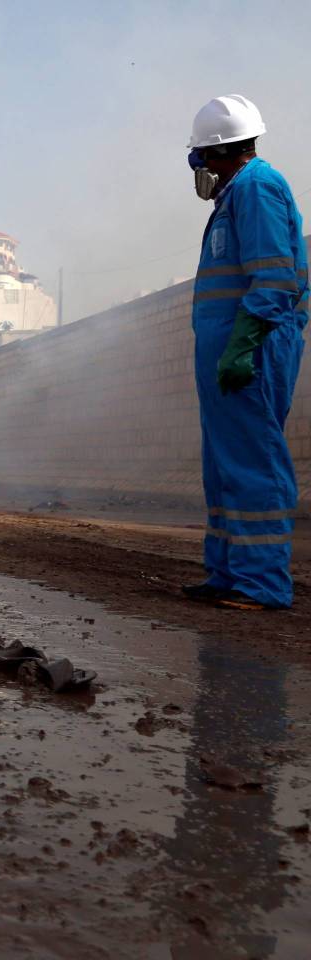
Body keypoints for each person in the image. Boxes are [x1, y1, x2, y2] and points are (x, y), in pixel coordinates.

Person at [183, 95, 307, 610]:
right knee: (225, 464)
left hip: (250, 353)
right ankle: (229, 573)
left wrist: (242, 347)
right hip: (226, 356)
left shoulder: (256, 189)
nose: (197, 171)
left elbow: (275, 279)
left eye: (199, 159)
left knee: (253, 462)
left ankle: (263, 583)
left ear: (219, 153)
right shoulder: (233, 197)